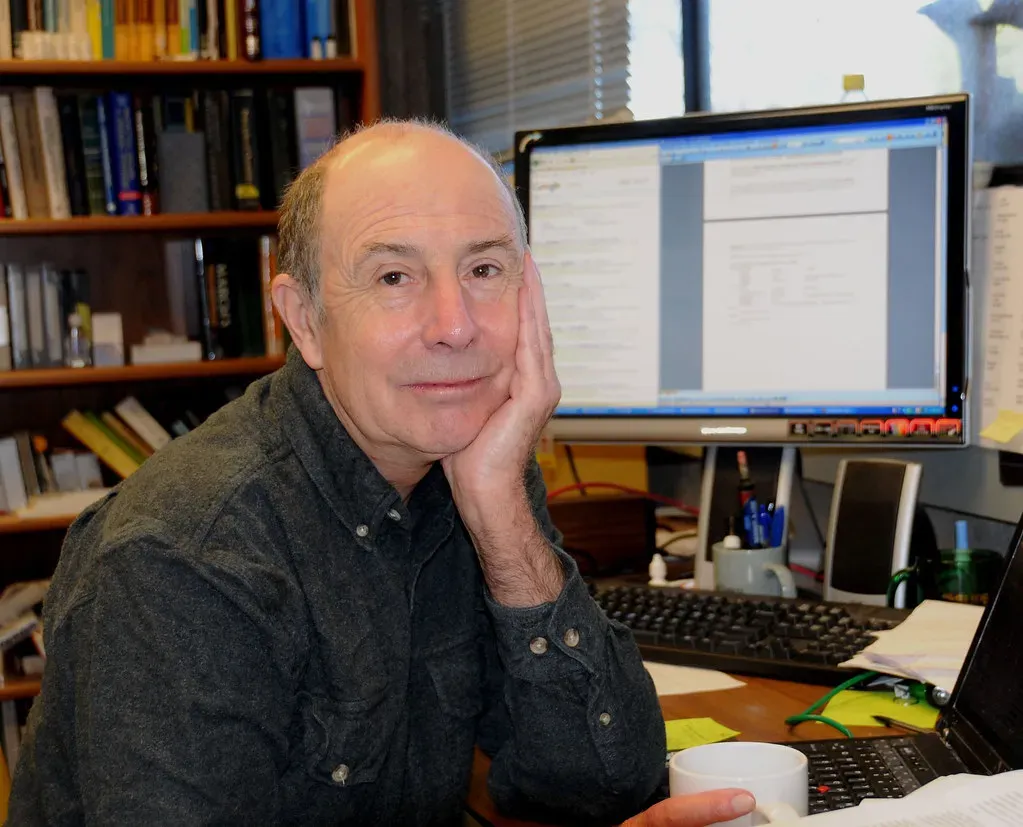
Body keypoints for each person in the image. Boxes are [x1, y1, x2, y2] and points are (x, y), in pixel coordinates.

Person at [8, 119, 755, 826]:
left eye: (484, 268)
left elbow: (601, 780)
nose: (454, 324)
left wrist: (500, 514)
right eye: (394, 275)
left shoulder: (469, 465)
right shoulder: (185, 557)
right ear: (304, 321)